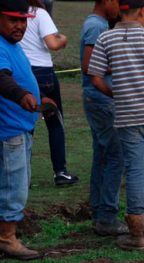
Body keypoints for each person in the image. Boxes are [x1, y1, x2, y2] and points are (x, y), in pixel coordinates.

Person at [88, 0, 144, 250]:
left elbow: (95, 79)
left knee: (135, 168)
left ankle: (136, 234)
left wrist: (117, 94)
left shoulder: (106, 39)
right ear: (141, 11)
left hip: (129, 116)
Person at [0, 0, 52, 260]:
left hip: (20, 127)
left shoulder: (12, 45)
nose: (20, 25)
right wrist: (21, 95)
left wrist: (39, 95)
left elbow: (19, 75)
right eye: (13, 20)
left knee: (16, 183)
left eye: (23, 20)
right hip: (8, 131)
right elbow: (2, 78)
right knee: (13, 187)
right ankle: (7, 239)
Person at [19, 0, 79, 186]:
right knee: (54, 122)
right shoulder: (39, 14)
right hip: (43, 73)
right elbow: (52, 43)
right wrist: (64, 39)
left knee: (26, 124)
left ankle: (23, 174)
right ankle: (60, 172)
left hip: (22, 72)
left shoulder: (14, 15)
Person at [80, 0, 126, 236]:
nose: (120, 9)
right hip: (100, 98)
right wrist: (121, 64)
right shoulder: (96, 27)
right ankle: (107, 215)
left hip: (95, 98)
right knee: (116, 155)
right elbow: (89, 66)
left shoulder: (96, 24)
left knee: (102, 154)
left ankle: (98, 211)